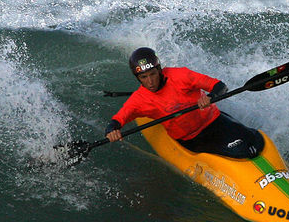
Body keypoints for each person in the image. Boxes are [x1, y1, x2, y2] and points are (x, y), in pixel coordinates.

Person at [105, 47, 264, 159]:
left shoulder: (180, 75)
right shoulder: (139, 100)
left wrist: (211, 96)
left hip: (215, 121)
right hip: (191, 139)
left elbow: (220, 86)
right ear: (137, 78)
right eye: (143, 77)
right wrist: (113, 131)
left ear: (159, 70)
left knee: (254, 140)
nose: (150, 81)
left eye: (153, 74)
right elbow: (116, 121)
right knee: (235, 152)